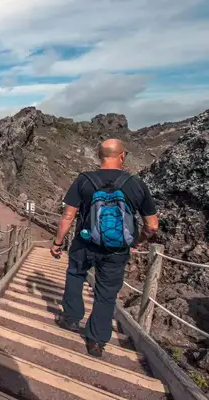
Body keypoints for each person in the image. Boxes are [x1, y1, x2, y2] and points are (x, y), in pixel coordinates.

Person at [50, 139, 159, 358]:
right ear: (122, 156)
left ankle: (71, 317)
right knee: (106, 294)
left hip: (84, 242)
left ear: (99, 156)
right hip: (117, 250)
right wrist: (137, 241)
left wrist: (58, 242)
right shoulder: (136, 183)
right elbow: (153, 225)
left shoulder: (84, 180)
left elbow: (68, 216)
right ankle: (96, 341)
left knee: (75, 274)